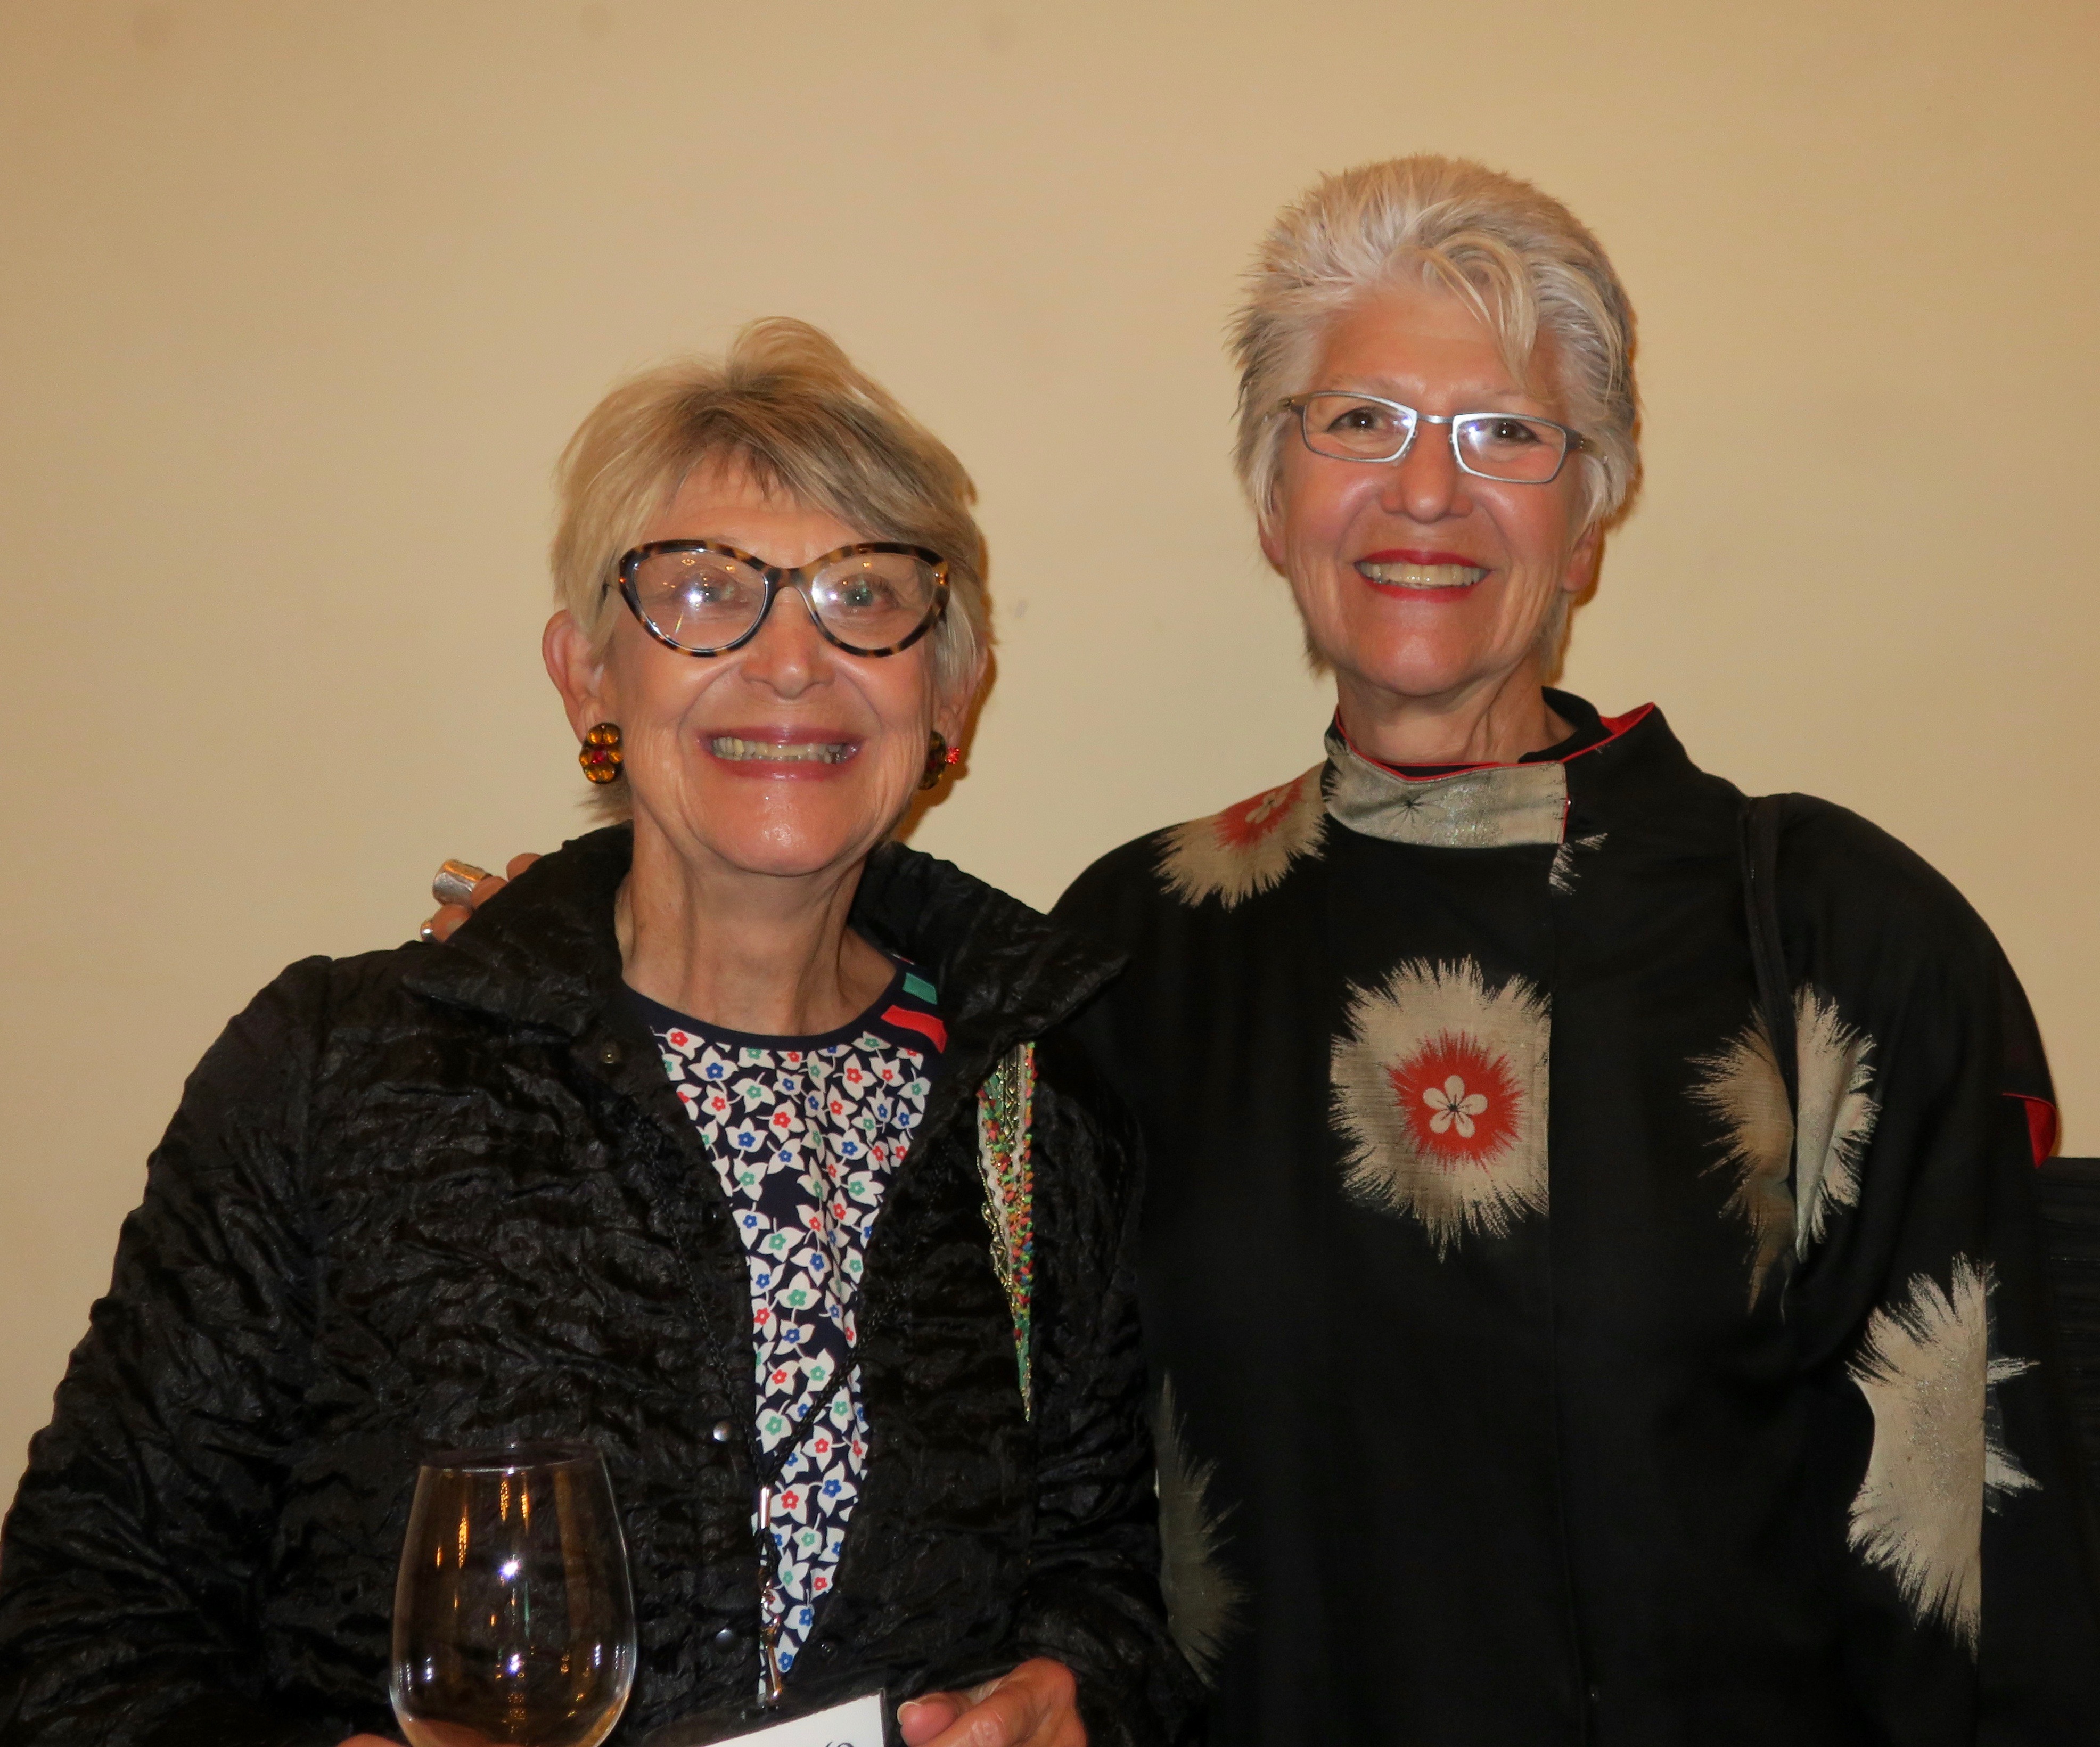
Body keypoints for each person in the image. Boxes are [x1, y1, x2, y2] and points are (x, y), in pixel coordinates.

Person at [420, 159, 2100, 1742]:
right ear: (1275, 502)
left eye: (1506, 432)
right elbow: (838, 1039)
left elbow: (1989, 1572)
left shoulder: (1831, 940)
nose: (1424, 488)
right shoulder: (1139, 943)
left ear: (1592, 517)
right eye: (1357, 420)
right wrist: (582, 933)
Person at [0, 320, 1200, 1747]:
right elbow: (79, 1616)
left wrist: (1076, 1690)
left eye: (863, 596)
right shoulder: (338, 1069)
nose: (791, 660)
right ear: (587, 676)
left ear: (949, 689)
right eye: (703, 590)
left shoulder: (1038, 1110)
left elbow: (1101, 1580)